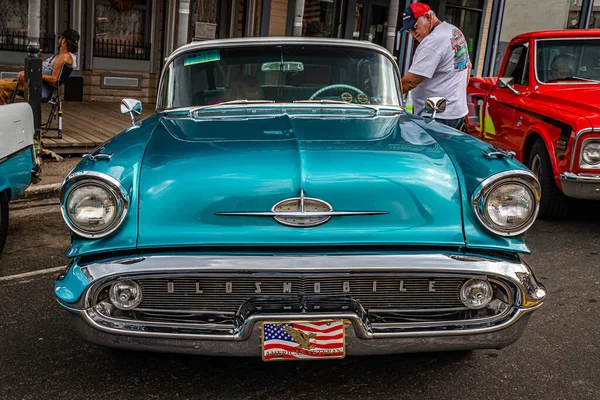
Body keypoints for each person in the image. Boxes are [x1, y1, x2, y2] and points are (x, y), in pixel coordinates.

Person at [398, 2, 471, 130]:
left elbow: (410, 81)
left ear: (427, 17)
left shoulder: (433, 41)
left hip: (436, 117)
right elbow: (468, 66)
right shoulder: (454, 31)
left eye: (414, 27)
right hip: (457, 113)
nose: (412, 33)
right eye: (409, 30)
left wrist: (384, 96)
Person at [0, 28, 79, 105]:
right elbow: (47, 68)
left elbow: (54, 79)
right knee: (2, 86)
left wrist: (29, 74)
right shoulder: (60, 56)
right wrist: (40, 56)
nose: (59, 40)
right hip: (34, 84)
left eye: (60, 38)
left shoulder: (63, 57)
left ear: (64, 41)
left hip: (37, 88)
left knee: (1, 85)